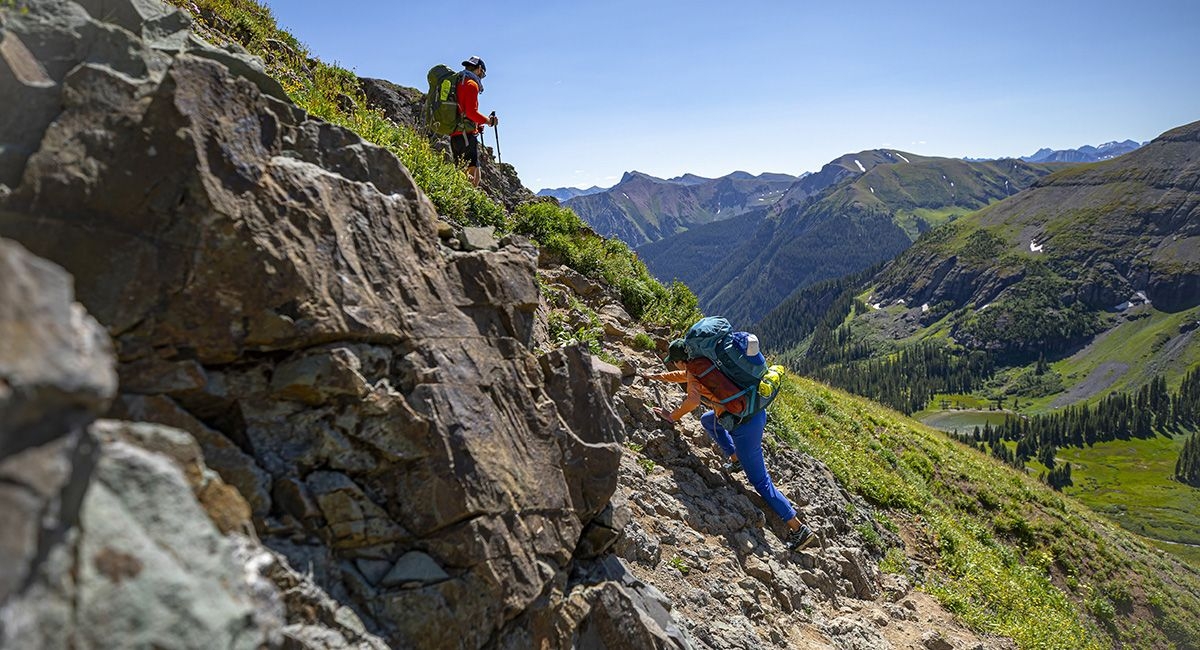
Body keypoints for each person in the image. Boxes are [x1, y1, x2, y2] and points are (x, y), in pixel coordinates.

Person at [643, 339, 816, 551]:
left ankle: (799, 529)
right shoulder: (706, 367)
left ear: (682, 361)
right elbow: (684, 377)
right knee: (708, 419)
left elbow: (692, 401)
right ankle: (735, 459)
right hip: (753, 413)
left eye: (675, 362)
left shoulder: (698, 374)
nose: (675, 366)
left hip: (743, 426)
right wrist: (657, 377)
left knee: (760, 482)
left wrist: (671, 416)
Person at [451, 56, 497, 187]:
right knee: (472, 177)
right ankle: (465, 205)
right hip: (465, 135)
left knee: (466, 173)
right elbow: (471, 112)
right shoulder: (471, 84)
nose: (482, 76)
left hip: (456, 133)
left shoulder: (459, 82)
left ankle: (462, 202)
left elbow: (462, 110)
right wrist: (488, 121)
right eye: (483, 74)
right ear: (480, 69)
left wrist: (477, 124)